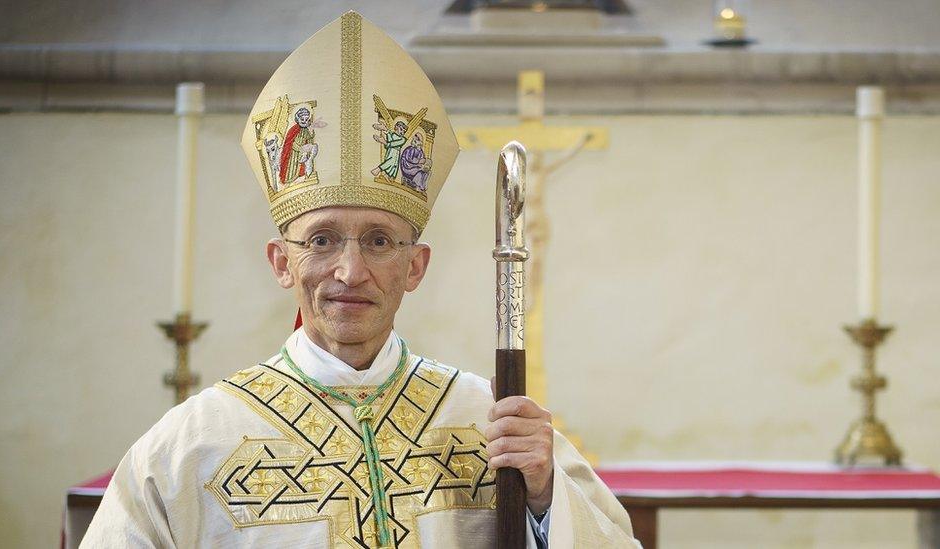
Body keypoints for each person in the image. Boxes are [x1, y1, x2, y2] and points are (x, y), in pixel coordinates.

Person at [82, 11, 639, 548]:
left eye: (378, 241)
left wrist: (543, 498)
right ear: (282, 262)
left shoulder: (484, 419)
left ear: (415, 266)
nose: (350, 272)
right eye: (322, 240)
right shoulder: (192, 444)